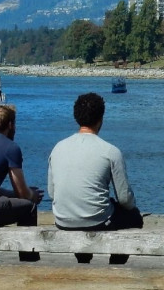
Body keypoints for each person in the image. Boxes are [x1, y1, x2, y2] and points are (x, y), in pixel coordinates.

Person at [47, 92, 142, 263]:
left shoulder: (58, 148)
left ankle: (83, 261)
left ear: (76, 117)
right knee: (135, 218)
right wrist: (131, 206)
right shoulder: (110, 151)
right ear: (101, 118)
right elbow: (124, 199)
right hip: (97, 220)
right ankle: (116, 263)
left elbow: (52, 193)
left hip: (63, 220)